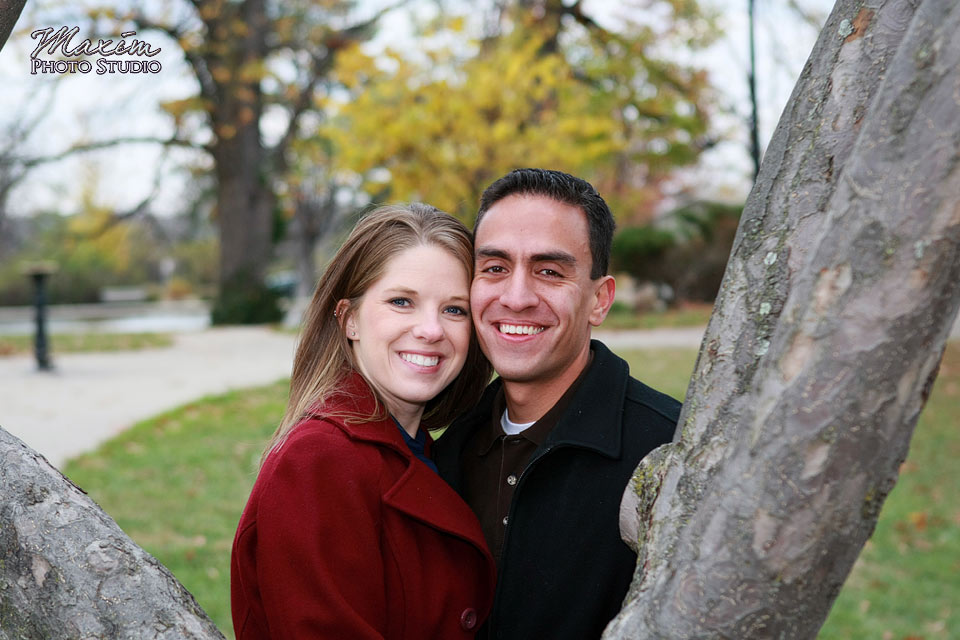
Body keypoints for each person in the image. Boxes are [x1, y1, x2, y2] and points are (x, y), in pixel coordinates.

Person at [434, 168, 681, 639]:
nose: (517, 297)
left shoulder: (671, 451)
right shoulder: (446, 450)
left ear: (599, 300)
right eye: (495, 268)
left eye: (549, 271)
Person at [231, 203, 497, 639]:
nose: (431, 330)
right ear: (349, 319)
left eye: (455, 310)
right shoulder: (319, 460)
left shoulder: (422, 447)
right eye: (401, 302)